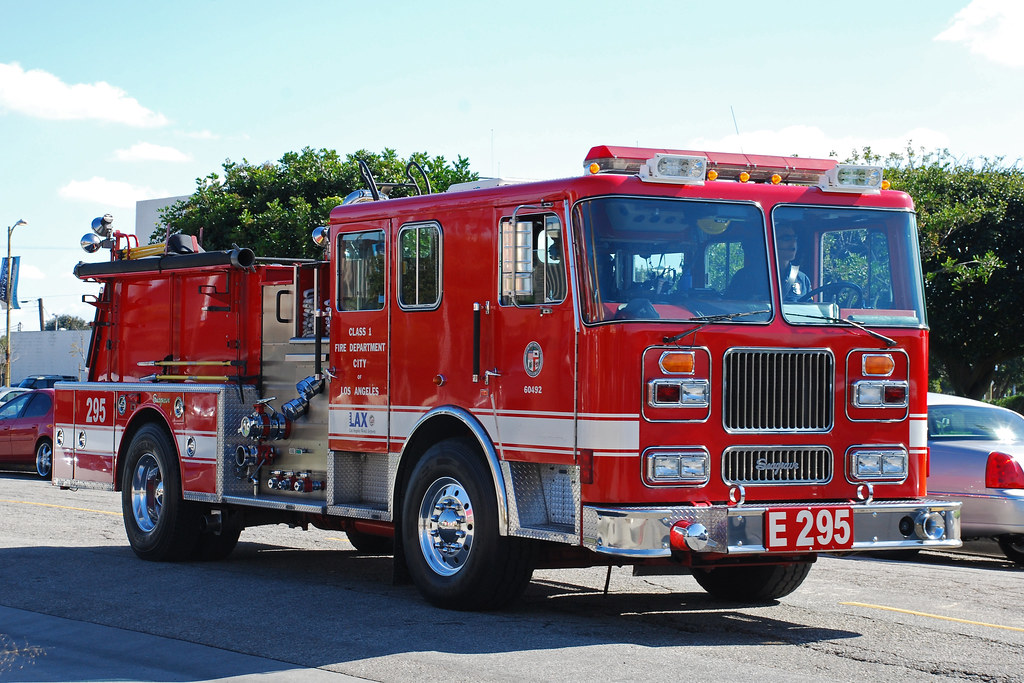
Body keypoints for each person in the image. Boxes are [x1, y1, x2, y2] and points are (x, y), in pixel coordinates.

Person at [775, 227, 811, 301]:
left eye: (795, 238)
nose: (793, 243)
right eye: (786, 238)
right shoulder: (751, 277)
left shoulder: (802, 279)